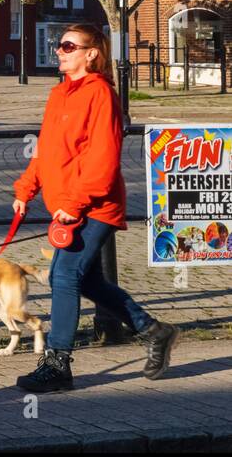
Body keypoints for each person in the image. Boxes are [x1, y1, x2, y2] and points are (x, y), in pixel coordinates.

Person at [12, 22, 179, 392]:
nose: (59, 50)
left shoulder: (100, 93)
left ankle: (57, 365)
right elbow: (48, 150)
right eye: (59, 45)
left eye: (69, 45)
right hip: (68, 207)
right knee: (86, 280)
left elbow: (103, 157)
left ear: (91, 53)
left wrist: (75, 202)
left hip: (93, 206)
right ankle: (154, 331)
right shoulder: (60, 95)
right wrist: (26, 188)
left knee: (63, 276)